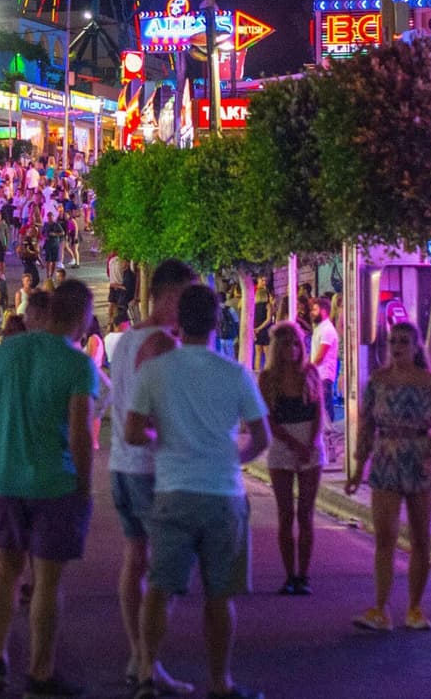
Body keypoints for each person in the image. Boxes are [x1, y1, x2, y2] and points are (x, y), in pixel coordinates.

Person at [125, 284, 269, 699]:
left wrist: (164, 434)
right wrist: (234, 458)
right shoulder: (235, 373)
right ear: (216, 321)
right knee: (220, 595)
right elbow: (261, 436)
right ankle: (220, 682)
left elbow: (133, 431)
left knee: (160, 586)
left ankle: (148, 673)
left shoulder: (155, 372)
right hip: (223, 493)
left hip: (173, 490)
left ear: (178, 322)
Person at [0, 279, 99, 699]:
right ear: (81, 317)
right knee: (46, 580)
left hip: (6, 477)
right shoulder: (77, 364)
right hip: (54, 482)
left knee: (5, 568)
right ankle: (39, 670)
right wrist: (84, 487)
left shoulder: (7, 352)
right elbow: (81, 433)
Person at [109, 259, 200, 697]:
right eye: (186, 298)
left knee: (134, 561)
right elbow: (156, 414)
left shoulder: (126, 340)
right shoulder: (163, 344)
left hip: (122, 466)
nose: (189, 309)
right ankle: (149, 665)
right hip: (151, 468)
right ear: (167, 295)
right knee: (170, 569)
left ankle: (137, 654)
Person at [346, 319, 431, 632]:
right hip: (385, 458)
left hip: (419, 457)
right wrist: (357, 468)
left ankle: (415, 608)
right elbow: (366, 426)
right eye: (393, 341)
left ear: (415, 346)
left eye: (404, 342)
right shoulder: (378, 381)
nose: (397, 348)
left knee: (420, 537)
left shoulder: (430, 383)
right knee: (385, 537)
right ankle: (380, 608)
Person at [259, 319, 324, 594]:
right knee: (285, 514)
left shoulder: (310, 373)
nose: (293, 349)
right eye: (287, 344)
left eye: (297, 343)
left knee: (305, 513)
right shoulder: (267, 378)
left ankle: (304, 575)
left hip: (310, 444)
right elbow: (268, 419)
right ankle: (289, 576)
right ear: (277, 348)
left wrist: (308, 444)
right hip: (283, 445)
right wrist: (293, 445)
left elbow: (320, 413)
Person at [308, 297, 340, 423]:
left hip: (324, 374)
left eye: (315, 310)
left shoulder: (327, 330)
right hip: (319, 373)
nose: (312, 312)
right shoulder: (320, 327)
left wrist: (308, 369)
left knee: (325, 406)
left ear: (324, 311)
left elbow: (321, 355)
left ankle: (329, 432)